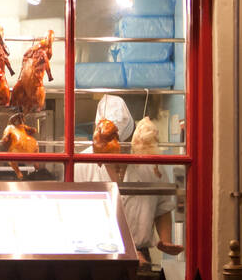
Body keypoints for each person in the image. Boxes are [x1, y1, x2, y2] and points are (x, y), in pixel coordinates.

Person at [74, 96, 182, 265]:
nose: (113, 150)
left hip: (142, 258)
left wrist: (166, 240)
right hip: (93, 256)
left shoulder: (149, 163)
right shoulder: (80, 164)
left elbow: (163, 206)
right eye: (106, 143)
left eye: (118, 143)